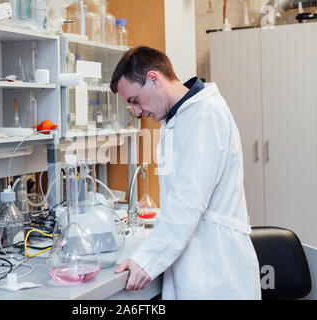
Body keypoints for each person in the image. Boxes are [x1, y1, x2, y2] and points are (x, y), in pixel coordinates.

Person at [110, 46, 261, 300]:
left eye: (134, 100)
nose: (136, 112)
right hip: (197, 260)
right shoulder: (177, 118)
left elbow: (188, 202)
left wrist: (146, 260)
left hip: (216, 268)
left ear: (154, 79)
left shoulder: (205, 114)